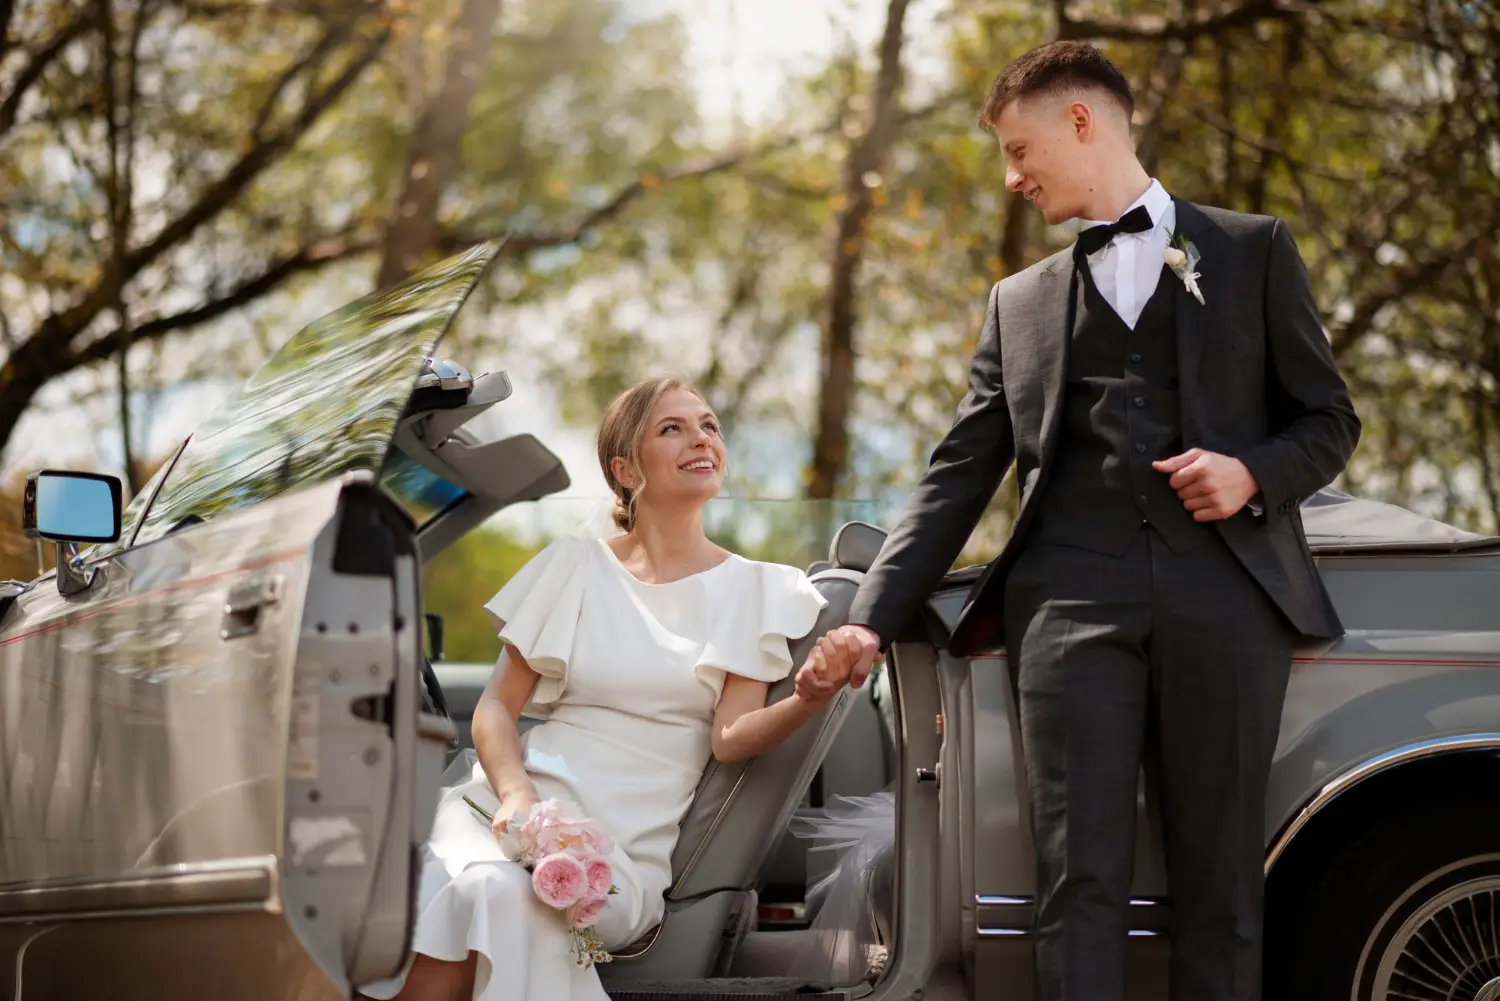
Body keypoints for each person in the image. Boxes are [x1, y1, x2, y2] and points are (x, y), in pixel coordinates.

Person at [797, 41, 1360, 1001]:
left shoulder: (1253, 250)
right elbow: (959, 473)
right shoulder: (1017, 305)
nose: (1013, 178)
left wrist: (1249, 474)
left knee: (1223, 885)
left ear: (1082, 122)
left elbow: (1330, 420)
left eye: (1021, 151)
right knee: (1075, 881)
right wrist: (868, 614)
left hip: (1228, 601)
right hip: (1067, 608)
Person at [360, 376, 857, 1001]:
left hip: (615, 855)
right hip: (505, 811)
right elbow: (494, 710)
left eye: (708, 425)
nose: (701, 438)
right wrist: (516, 796)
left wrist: (809, 695)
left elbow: (730, 739)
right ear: (626, 469)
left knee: (486, 894)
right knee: (437, 888)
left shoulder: (757, 590)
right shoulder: (574, 565)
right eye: (671, 428)